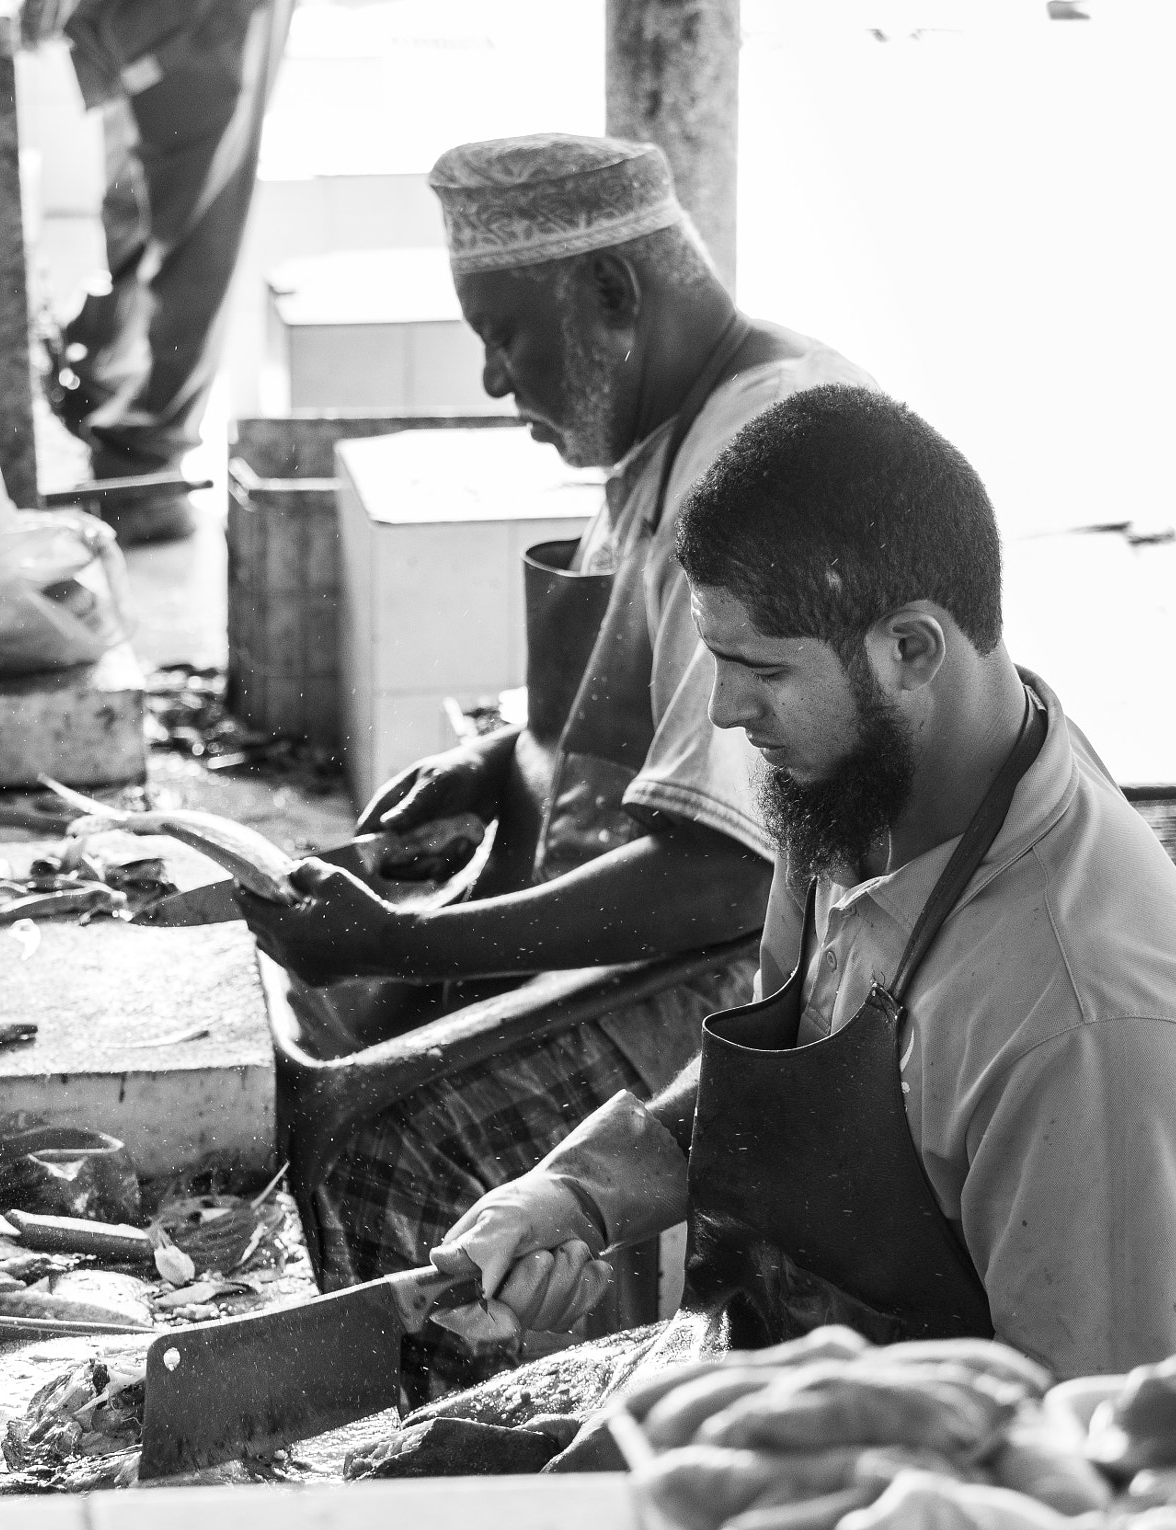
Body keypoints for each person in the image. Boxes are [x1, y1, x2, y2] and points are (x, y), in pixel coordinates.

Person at [426, 385, 1176, 1379]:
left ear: (910, 648)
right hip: (800, 1374)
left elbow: (1089, 1455)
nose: (727, 711)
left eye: (762, 672)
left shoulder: (1081, 1017)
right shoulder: (853, 777)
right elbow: (791, 1088)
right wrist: (577, 1194)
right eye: (716, 661)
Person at [236, 135, 877, 1335]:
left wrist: (415, 940)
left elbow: (728, 869)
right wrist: (501, 764)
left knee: (379, 1153)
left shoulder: (759, 448)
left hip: (767, 970)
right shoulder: (666, 425)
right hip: (658, 915)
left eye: (506, 336)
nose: (490, 380)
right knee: (350, 1033)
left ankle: (482, 1466)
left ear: (613, 295)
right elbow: (641, 714)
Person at [44, 0, 294, 544]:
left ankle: (136, 463)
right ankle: (131, 458)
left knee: (173, 233)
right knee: (154, 225)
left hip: (185, 26)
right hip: (161, 28)